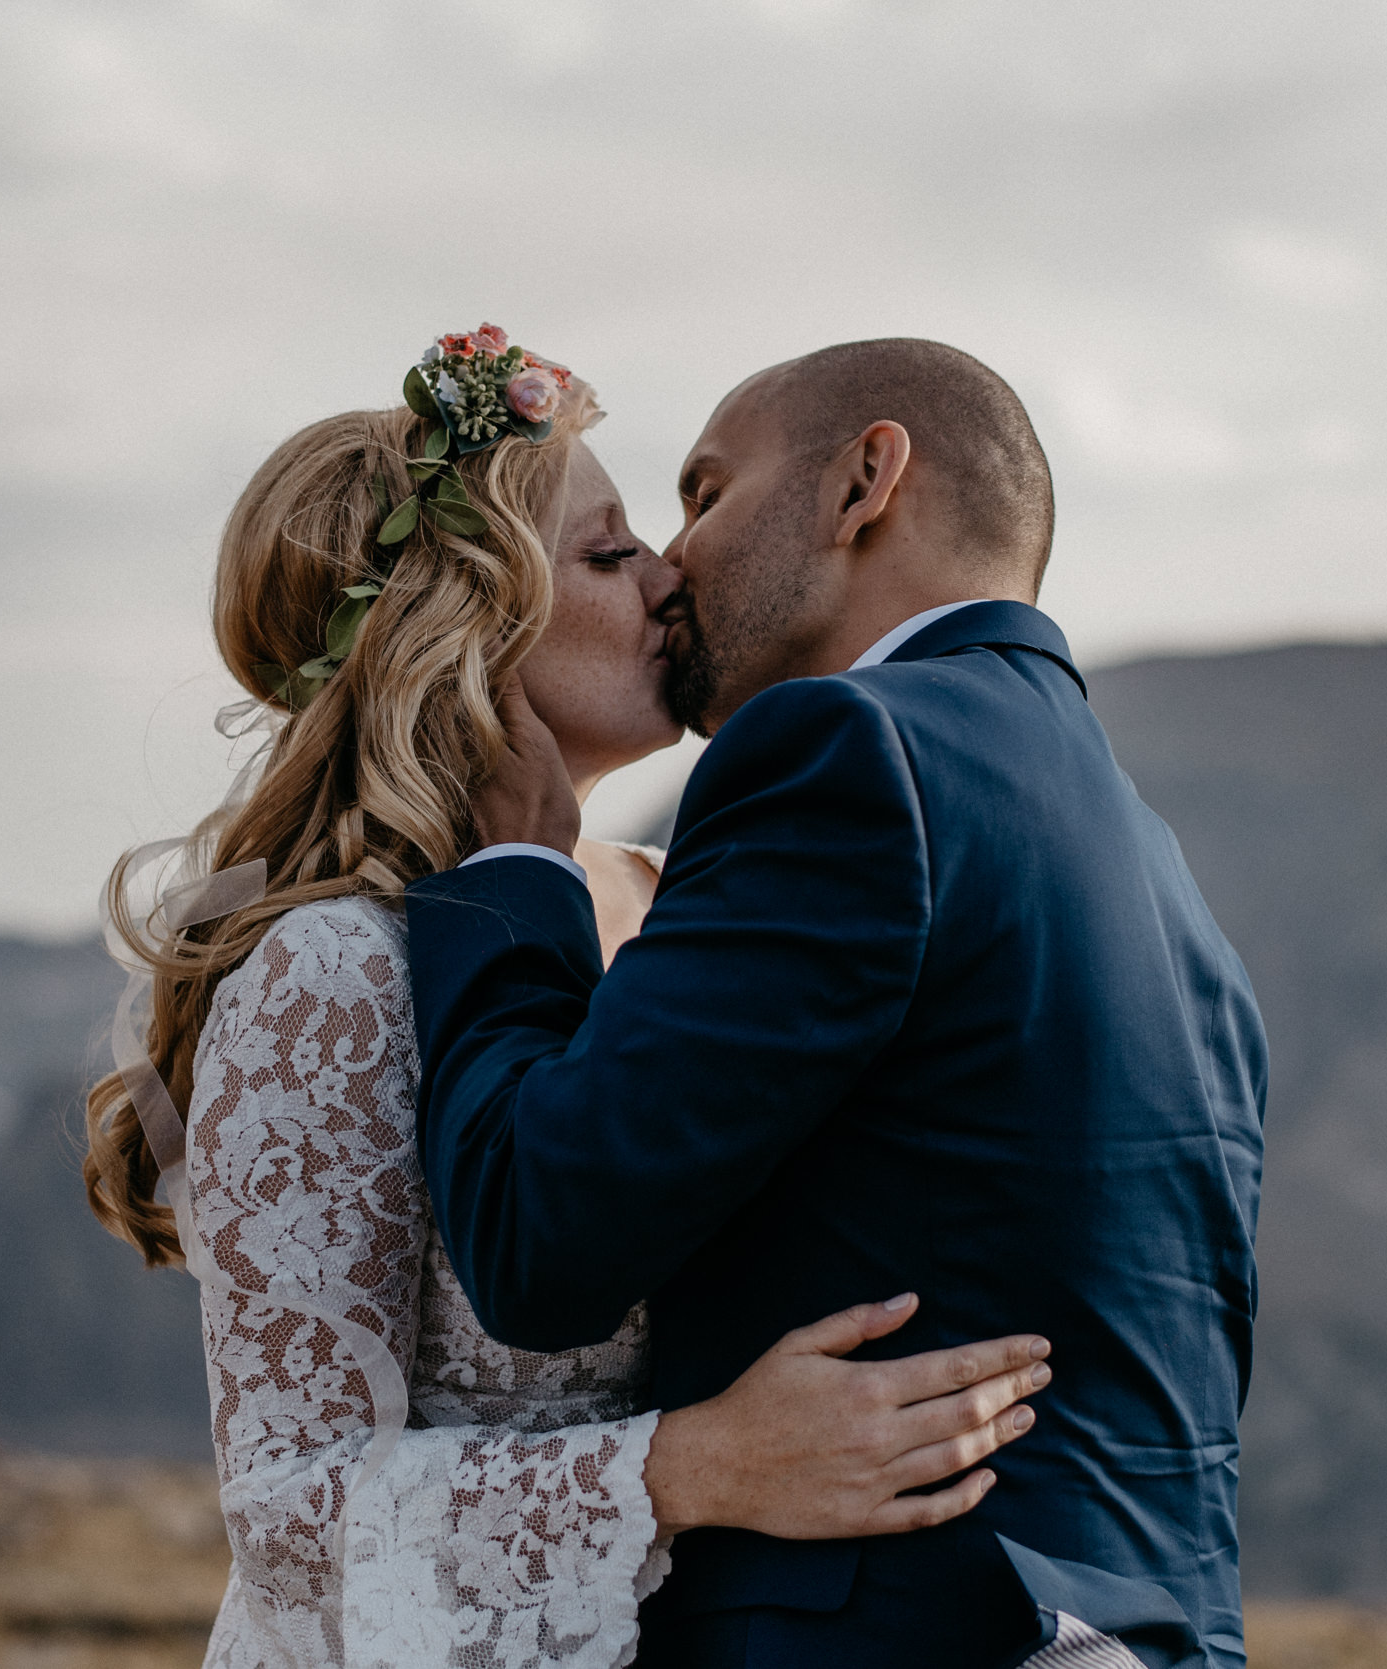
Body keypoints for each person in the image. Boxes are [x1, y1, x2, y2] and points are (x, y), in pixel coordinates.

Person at [79, 326, 1054, 1669]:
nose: (674, 577)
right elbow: (291, 1511)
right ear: (458, 626)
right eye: (608, 555)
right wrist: (694, 1469)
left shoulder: (686, 898)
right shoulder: (330, 972)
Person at [404, 339, 1268, 1669]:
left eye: (706, 493)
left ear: (867, 479)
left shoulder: (848, 753)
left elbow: (538, 1231)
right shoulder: (1165, 877)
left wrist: (514, 871)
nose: (673, 561)